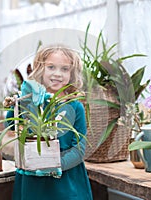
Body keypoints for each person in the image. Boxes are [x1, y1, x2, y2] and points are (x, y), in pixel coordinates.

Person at [5, 44, 93, 200]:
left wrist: (57, 165)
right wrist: (23, 100)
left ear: (72, 74)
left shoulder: (75, 106)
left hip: (65, 182)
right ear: (40, 69)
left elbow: (79, 148)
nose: (58, 74)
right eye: (51, 67)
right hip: (33, 178)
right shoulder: (32, 100)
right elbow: (11, 125)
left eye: (65, 69)